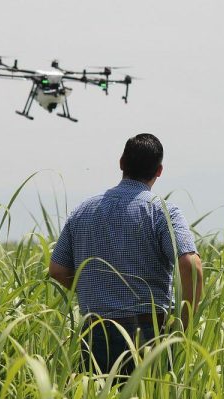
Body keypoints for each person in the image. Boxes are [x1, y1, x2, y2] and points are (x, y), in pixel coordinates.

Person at [48, 133, 203, 376]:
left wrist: (95, 288)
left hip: (96, 329)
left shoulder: (82, 211)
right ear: (159, 170)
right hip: (149, 331)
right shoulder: (162, 211)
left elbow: (57, 270)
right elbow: (191, 265)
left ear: (121, 162)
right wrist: (182, 324)